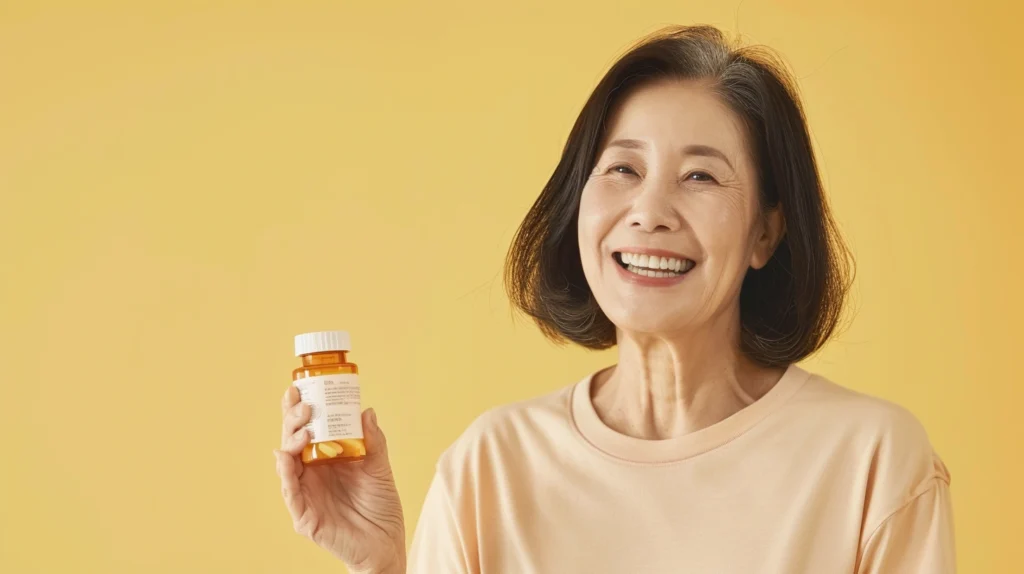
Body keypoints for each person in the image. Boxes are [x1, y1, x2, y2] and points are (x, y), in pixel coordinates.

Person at [274, 25, 955, 573]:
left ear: (766, 233)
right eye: (623, 169)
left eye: (700, 176)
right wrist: (381, 564)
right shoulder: (492, 466)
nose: (649, 210)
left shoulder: (871, 462)